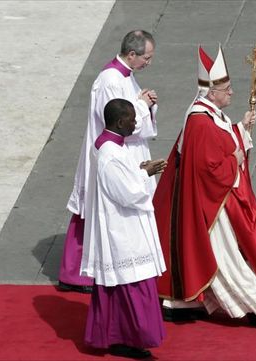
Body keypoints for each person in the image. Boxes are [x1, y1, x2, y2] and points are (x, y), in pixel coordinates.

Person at [153, 45, 256, 328]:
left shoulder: (208, 113)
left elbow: (216, 147)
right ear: (210, 92)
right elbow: (208, 170)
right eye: (226, 89)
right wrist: (235, 157)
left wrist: (240, 128)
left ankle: (180, 303)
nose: (232, 93)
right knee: (226, 258)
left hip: (205, 200)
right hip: (209, 205)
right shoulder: (199, 121)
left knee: (210, 256)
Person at [58, 30, 159, 293]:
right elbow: (114, 120)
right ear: (132, 53)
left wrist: (146, 104)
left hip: (126, 150)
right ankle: (75, 273)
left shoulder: (126, 75)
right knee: (97, 210)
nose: (149, 62)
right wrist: (141, 105)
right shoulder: (110, 80)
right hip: (111, 152)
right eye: (146, 57)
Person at [81, 98, 167, 359]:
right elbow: (127, 193)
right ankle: (130, 338)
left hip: (121, 224)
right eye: (132, 119)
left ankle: (116, 337)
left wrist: (138, 169)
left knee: (120, 286)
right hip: (122, 229)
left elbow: (120, 180)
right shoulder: (110, 153)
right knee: (131, 285)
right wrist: (146, 174)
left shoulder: (111, 145)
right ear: (119, 122)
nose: (135, 122)